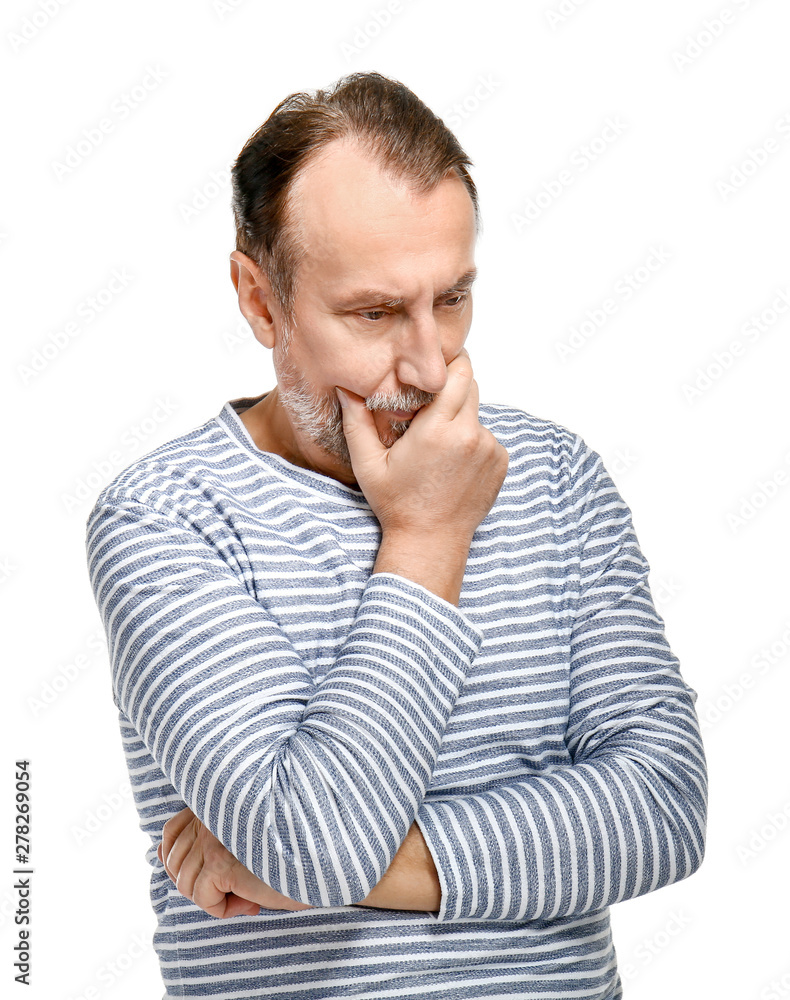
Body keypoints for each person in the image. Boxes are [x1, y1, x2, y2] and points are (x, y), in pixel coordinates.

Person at [85, 72, 707, 999]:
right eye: (373, 314)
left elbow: (662, 810)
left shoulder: (556, 475)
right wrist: (426, 536)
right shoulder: (166, 518)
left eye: (451, 300)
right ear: (260, 301)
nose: (427, 364)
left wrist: (343, 872)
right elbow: (315, 840)